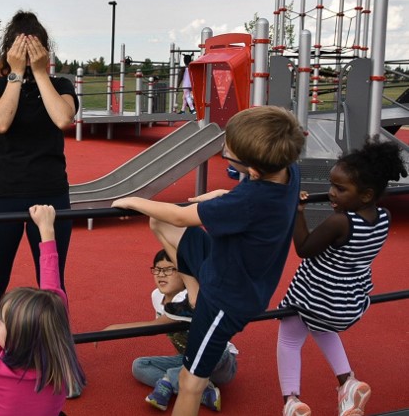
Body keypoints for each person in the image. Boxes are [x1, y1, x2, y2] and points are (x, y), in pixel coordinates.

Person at [112, 106, 305, 416]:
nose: (224, 150)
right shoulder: (289, 172)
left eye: (228, 152)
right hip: (225, 268)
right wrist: (221, 194)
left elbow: (179, 213)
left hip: (226, 300)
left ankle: (200, 304)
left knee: (191, 382)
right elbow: (173, 220)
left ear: (252, 169)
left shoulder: (248, 201)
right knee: (160, 224)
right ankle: (193, 294)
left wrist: (134, 200)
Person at [0, 11, 79, 415]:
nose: (27, 52)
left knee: (52, 283)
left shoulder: (60, 84)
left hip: (50, 195)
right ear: (8, 49)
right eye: (21, 44)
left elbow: (63, 118)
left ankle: (58, 359)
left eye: (34, 45)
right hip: (3, 195)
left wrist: (41, 73)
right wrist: (15, 74)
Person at [276, 137, 407, 416]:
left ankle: (291, 400)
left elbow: (304, 249)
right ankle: (347, 382)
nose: (331, 193)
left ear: (367, 195)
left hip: (314, 294)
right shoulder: (383, 217)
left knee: (288, 339)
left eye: (339, 188)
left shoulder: (340, 222)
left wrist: (297, 213)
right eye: (331, 186)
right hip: (347, 300)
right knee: (322, 328)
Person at [0, 205, 86, 416]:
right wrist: (46, 229)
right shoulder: (61, 358)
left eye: (0, 322)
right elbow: (53, 298)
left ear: (17, 337)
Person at [103, 250, 238, 412]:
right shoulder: (156, 296)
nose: (161, 275)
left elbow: (156, 326)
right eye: (158, 269)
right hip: (187, 360)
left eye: (168, 270)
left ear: (184, 276)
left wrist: (113, 330)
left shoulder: (188, 299)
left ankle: (169, 381)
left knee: (205, 357)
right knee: (139, 366)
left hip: (220, 361)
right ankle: (202, 391)